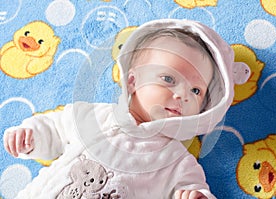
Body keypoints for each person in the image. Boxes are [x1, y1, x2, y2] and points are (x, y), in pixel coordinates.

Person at [3, 19, 250, 199]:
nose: (181, 95)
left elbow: (193, 189)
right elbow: (54, 128)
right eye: (168, 79)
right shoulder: (93, 116)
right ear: (133, 81)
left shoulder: (176, 162)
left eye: (196, 91)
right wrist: (30, 136)